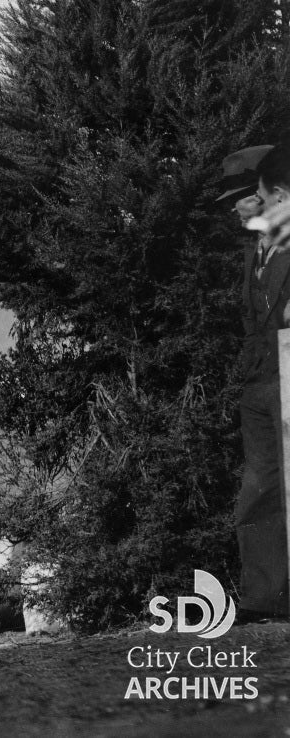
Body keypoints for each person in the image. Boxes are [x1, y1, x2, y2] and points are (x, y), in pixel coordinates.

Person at [218, 143, 290, 624]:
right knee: (258, 489)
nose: (233, 209)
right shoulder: (253, 251)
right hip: (259, 383)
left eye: (240, 198)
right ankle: (265, 599)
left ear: (269, 196)